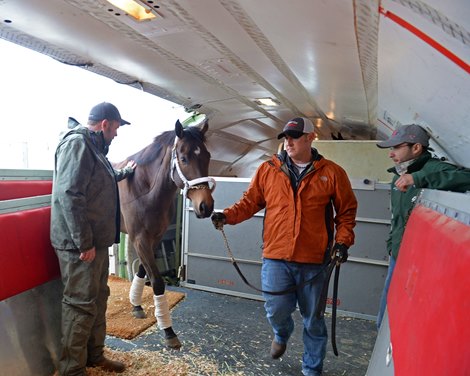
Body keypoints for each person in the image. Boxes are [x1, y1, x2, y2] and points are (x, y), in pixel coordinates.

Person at [211, 117, 358, 376]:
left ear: (311, 138)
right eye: (286, 137)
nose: (288, 142)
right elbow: (250, 202)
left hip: (315, 261)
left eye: (295, 136)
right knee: (276, 310)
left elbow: (346, 212)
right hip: (276, 256)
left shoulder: (332, 173)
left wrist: (342, 242)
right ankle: (281, 332)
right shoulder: (268, 169)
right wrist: (228, 216)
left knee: (313, 320)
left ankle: (312, 369)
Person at [51, 102, 135, 375]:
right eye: (117, 127)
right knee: (80, 304)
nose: (117, 133)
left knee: (98, 298)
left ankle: (94, 356)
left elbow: (101, 181)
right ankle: (71, 370)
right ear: (106, 124)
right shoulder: (78, 144)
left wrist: (125, 173)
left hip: (94, 243)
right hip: (79, 245)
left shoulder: (95, 148)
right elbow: (70, 194)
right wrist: (83, 243)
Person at [375, 124, 470, 329]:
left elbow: (466, 178)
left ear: (416, 148)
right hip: (398, 255)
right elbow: (397, 219)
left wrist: (418, 178)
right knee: (384, 315)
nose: (391, 154)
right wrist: (392, 245)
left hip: (421, 262)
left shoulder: (433, 169)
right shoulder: (397, 177)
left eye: (396, 147)